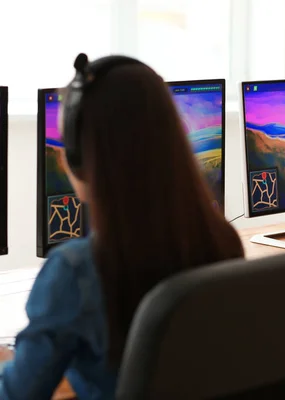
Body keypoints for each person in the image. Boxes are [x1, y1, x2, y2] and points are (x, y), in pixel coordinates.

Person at [0, 54, 244, 399]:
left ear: (79, 157)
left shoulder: (75, 270)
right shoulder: (222, 240)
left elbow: (17, 394)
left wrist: (11, 363)